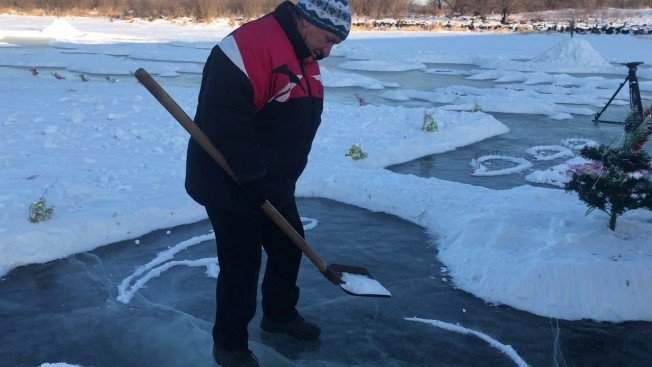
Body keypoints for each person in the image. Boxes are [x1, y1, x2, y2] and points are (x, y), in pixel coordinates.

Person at [185, 0, 351, 366]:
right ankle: (230, 345)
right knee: (241, 264)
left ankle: (278, 316)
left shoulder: (303, 53)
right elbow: (224, 121)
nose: (327, 51)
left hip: (269, 181)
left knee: (288, 247)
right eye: (327, 39)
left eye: (334, 44)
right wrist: (251, 177)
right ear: (306, 20)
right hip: (229, 178)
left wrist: (274, 178)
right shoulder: (250, 47)